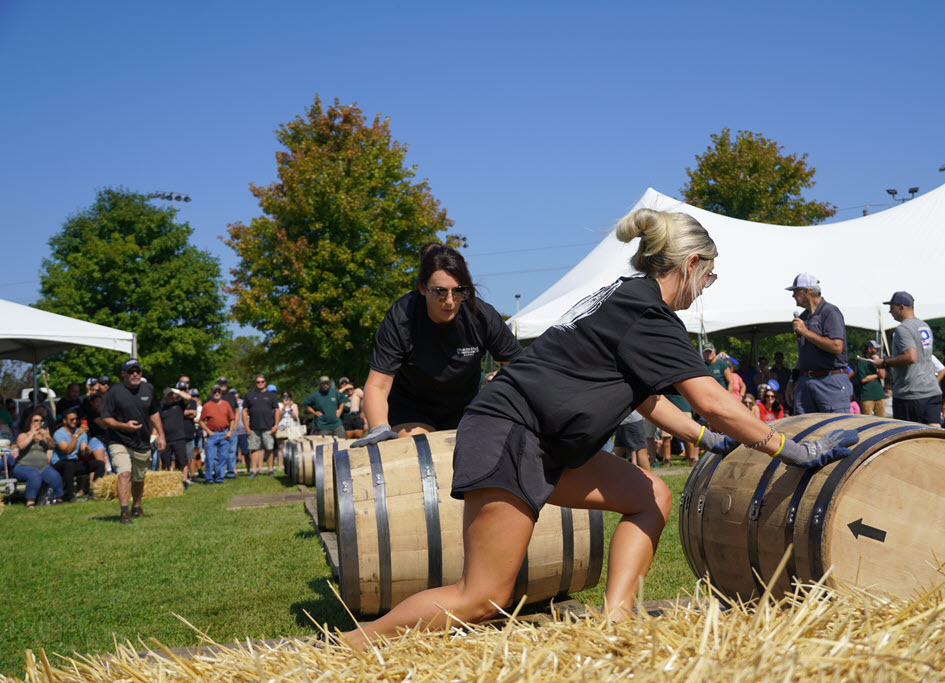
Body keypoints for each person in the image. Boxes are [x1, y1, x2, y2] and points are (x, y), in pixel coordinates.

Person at [340, 208, 857, 649]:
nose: (706, 289)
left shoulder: (625, 298)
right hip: (511, 434)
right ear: (691, 264)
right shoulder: (648, 315)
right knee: (482, 597)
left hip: (544, 441)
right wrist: (788, 448)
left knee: (649, 493)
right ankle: (352, 646)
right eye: (710, 276)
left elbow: (649, 398)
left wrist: (706, 440)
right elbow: (711, 400)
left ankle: (616, 626)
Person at [356, 243, 522, 446]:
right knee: (418, 446)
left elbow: (520, 371)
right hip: (411, 410)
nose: (451, 302)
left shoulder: (482, 317)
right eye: (440, 292)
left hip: (464, 409)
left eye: (459, 291)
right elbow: (377, 385)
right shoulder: (401, 318)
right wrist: (379, 428)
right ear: (422, 288)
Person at [97, 358, 166, 524]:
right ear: (123, 374)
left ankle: (136, 506)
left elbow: (154, 412)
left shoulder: (148, 389)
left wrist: (161, 435)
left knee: (138, 478)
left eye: (137, 371)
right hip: (118, 439)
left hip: (141, 441)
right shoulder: (114, 392)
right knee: (124, 473)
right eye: (130, 371)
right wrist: (124, 426)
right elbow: (106, 419)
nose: (135, 374)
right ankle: (124, 512)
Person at [869, 292, 942, 427]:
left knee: (908, 438)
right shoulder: (924, 326)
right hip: (931, 390)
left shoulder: (903, 328)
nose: (890, 311)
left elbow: (910, 357)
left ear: (901, 307)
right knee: (934, 433)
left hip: (911, 393)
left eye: (892, 307)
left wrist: (884, 362)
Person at [786, 273, 853, 414]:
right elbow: (803, 353)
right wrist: (792, 381)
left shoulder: (830, 312)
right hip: (806, 382)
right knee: (802, 430)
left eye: (795, 291)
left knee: (836, 431)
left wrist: (806, 332)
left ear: (807, 291)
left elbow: (836, 347)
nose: (793, 296)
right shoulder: (804, 317)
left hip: (831, 382)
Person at [9, 407, 63, 507]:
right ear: (30, 422)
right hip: (23, 467)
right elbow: (21, 446)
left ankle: (58, 499)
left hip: (42, 466)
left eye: (41, 420)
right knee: (34, 475)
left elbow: (52, 446)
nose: (39, 422)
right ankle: (30, 502)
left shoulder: (43, 436)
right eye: (36, 420)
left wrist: (48, 436)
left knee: (54, 476)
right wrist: (32, 434)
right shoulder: (23, 435)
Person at [51, 406, 105, 501]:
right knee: (69, 464)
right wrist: (76, 436)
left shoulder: (81, 432)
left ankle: (95, 492)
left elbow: (83, 451)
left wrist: (87, 450)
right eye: (71, 419)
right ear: (64, 421)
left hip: (73, 462)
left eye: (76, 419)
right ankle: (69, 496)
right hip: (59, 463)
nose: (75, 421)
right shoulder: (58, 434)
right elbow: (68, 451)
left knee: (99, 464)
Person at [242, 374, 280, 477]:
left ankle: (270, 470)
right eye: (258, 382)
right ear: (255, 383)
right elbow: (244, 411)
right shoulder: (249, 395)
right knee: (254, 449)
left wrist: (276, 425)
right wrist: (246, 426)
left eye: (262, 382)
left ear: (265, 382)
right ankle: (254, 471)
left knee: (269, 448)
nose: (260, 384)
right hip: (254, 427)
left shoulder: (271, 395)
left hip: (268, 426)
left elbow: (277, 410)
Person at [200, 384, 235, 484]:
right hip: (212, 434)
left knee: (223, 457)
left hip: (224, 433)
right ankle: (209, 478)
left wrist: (230, 431)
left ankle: (220, 477)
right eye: (215, 391)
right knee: (210, 458)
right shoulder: (207, 406)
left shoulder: (226, 404)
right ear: (211, 393)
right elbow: (201, 421)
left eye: (219, 391)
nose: (217, 393)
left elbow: (232, 419)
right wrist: (208, 431)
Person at [852, 341, 886, 417]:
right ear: (869, 349)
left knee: (882, 421)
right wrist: (877, 375)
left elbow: (883, 375)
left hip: (880, 395)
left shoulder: (879, 361)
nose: (877, 350)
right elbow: (864, 379)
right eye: (875, 348)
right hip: (867, 396)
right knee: (867, 420)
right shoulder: (862, 361)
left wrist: (878, 363)